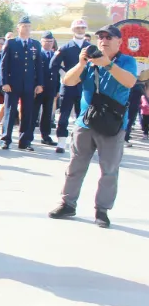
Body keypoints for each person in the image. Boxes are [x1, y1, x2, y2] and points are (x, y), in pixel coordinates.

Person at [48, 25, 137, 228]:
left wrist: (108, 64)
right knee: (75, 166)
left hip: (113, 125)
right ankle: (67, 203)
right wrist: (81, 63)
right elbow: (68, 81)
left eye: (108, 37)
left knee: (109, 170)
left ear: (119, 42)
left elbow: (130, 82)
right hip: (85, 122)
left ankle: (102, 210)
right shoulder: (90, 62)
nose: (103, 41)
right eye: (100, 37)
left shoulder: (126, 61)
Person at [0, 16, 45, 151]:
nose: (26, 29)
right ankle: (6, 139)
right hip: (13, 84)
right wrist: (4, 82)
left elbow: (39, 66)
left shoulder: (35, 44)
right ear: (18, 28)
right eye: (24, 26)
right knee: (10, 111)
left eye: (29, 26)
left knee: (28, 112)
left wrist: (39, 84)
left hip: (29, 84)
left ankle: (25, 140)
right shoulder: (11, 43)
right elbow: (4, 64)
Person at [50, 18, 89, 153]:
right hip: (68, 86)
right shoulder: (65, 47)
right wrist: (64, 75)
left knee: (83, 115)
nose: (80, 30)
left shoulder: (89, 47)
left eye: (83, 28)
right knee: (64, 114)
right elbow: (53, 65)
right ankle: (61, 142)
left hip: (83, 86)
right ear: (73, 30)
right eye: (78, 28)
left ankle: (80, 142)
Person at [35, 31, 59, 146]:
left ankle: (46, 135)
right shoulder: (37, 54)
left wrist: (57, 89)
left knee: (48, 113)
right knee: (33, 112)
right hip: (38, 88)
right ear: (41, 42)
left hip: (51, 89)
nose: (49, 43)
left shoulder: (56, 56)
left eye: (51, 41)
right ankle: (27, 136)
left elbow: (57, 74)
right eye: (46, 41)